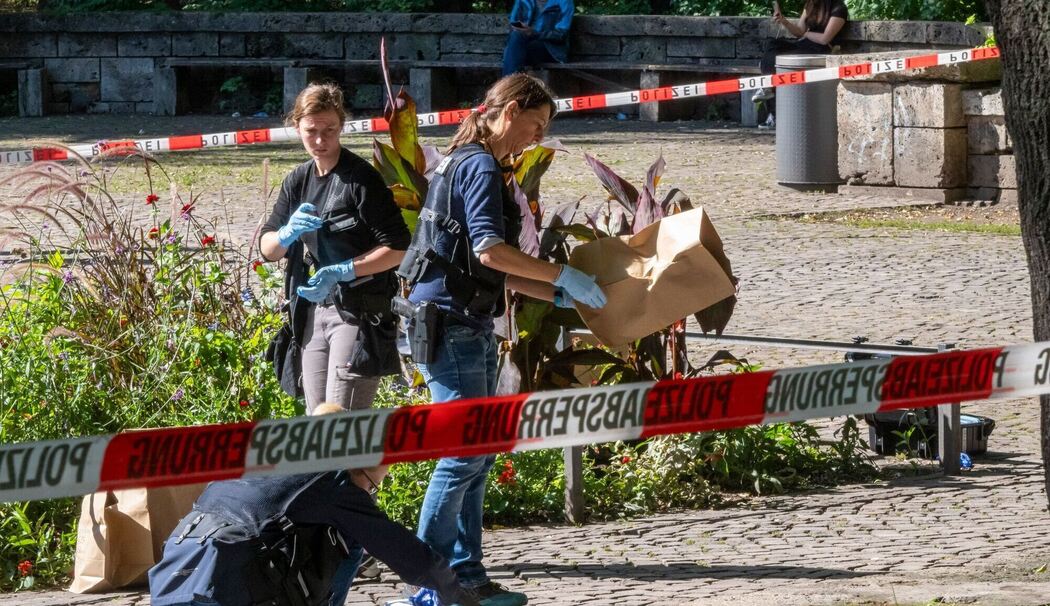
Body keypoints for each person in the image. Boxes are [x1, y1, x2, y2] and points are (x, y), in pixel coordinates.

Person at [394, 73, 607, 606]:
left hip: (461, 321)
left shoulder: (463, 160)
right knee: (464, 454)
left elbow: (480, 266)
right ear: (509, 110)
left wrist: (550, 291)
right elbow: (491, 250)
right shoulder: (481, 165)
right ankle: (432, 584)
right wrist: (561, 276)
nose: (536, 138)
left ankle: (465, 576)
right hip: (453, 327)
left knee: (479, 451)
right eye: (535, 124)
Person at [148, 404, 479, 606]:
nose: (370, 494)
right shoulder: (332, 478)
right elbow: (400, 548)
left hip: (176, 576)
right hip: (233, 584)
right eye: (372, 485)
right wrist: (453, 589)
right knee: (350, 538)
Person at [260, 83, 410, 414]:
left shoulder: (360, 179)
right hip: (314, 311)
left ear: (341, 126)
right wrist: (285, 234)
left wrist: (344, 270)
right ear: (296, 127)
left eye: (329, 130)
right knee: (319, 423)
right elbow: (267, 248)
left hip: (357, 311)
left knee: (341, 424)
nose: (320, 140)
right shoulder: (298, 179)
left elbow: (399, 247)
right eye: (311, 131)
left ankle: (358, 469)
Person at [752, 0, 849, 125]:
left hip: (820, 49)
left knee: (776, 63)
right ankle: (767, 88)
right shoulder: (809, 5)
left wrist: (807, 33)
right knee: (772, 45)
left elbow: (825, 39)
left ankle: (773, 109)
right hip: (804, 44)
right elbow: (798, 32)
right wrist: (783, 20)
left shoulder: (839, 9)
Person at [501, 0, 575, 76]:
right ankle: (512, 84)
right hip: (524, 44)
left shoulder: (564, 2)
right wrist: (519, 28)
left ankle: (508, 84)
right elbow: (513, 23)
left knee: (514, 54)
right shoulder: (522, 1)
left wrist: (534, 33)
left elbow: (561, 34)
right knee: (516, 39)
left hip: (550, 48)